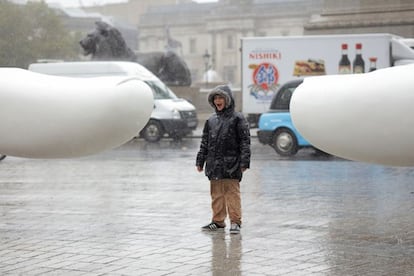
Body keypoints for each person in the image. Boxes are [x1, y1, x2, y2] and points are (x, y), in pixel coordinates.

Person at [196, 85, 251, 234]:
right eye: (215, 98)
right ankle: (218, 221)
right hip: (214, 165)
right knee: (216, 194)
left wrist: (244, 162)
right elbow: (205, 142)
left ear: (227, 100)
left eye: (220, 98)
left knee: (232, 194)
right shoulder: (211, 120)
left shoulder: (238, 118)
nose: (218, 101)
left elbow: (245, 141)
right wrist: (200, 161)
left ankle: (235, 221)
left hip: (231, 164)